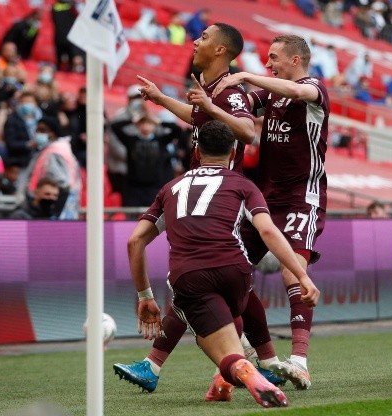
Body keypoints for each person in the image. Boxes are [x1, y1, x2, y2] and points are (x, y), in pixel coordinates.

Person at [114, 23, 284, 393]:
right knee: (211, 284)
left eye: (204, 37)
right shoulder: (209, 90)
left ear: (222, 50)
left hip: (221, 197)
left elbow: (246, 132)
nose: (195, 41)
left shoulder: (229, 92)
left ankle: (158, 366)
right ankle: (262, 363)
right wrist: (161, 99)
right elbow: (196, 118)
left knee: (192, 281)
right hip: (198, 189)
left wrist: (208, 106)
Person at [124, 120, 319, 408]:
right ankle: (229, 378)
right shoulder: (243, 185)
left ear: (198, 152)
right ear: (233, 153)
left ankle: (242, 369)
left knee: (213, 341)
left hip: (189, 276)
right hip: (236, 271)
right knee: (232, 312)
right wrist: (302, 275)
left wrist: (145, 296)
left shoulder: (171, 188)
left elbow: (135, 242)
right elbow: (267, 231)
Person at [211, 34, 330, 390]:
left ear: (295, 61)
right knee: (230, 271)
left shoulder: (314, 88)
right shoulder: (270, 92)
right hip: (264, 196)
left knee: (293, 272)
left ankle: (300, 361)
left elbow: (296, 93)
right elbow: (242, 104)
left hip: (301, 197)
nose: (268, 64)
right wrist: (213, 100)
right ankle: (246, 352)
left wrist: (245, 75)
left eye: (274, 58)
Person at [17, 116, 81, 219]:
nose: (38, 133)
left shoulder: (54, 153)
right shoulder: (61, 149)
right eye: (37, 130)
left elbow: (61, 184)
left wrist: (54, 213)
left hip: (55, 213)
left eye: (43, 130)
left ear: (53, 133)